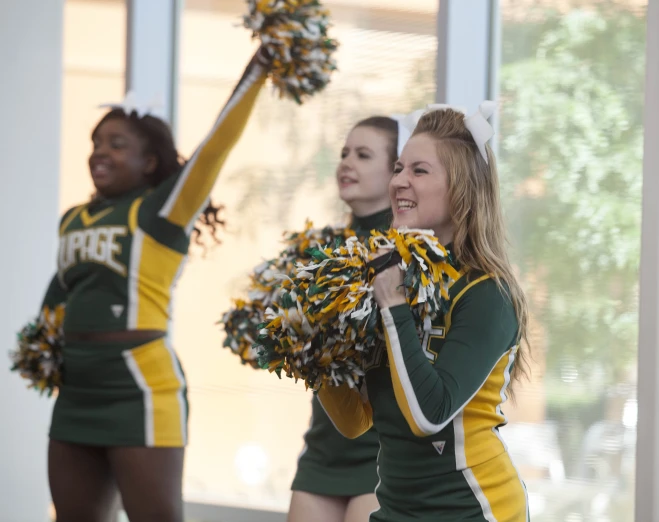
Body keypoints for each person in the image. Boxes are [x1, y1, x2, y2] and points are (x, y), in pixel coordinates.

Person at [41, 47, 267, 522]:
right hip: (77, 388)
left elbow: (215, 147)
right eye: (97, 141)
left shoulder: (161, 211)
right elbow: (62, 291)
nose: (100, 151)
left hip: (138, 386)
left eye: (117, 143)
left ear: (149, 162)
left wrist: (259, 68)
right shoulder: (73, 219)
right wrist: (38, 343)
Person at [317, 104, 531, 521]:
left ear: (462, 188)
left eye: (419, 170)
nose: (399, 181)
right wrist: (316, 347)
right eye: (398, 168)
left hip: (472, 509)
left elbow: (429, 416)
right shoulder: (396, 280)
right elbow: (355, 421)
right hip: (397, 509)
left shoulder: (488, 293)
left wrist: (393, 304)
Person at [269, 116, 404, 522]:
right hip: (324, 446)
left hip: (382, 449)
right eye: (344, 153)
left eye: (363, 155)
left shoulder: (407, 249)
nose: (346, 162)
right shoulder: (321, 251)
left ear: (396, 171)